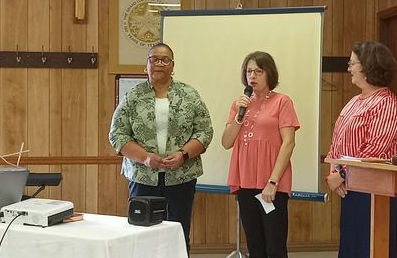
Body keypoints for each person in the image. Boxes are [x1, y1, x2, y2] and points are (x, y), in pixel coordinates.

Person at [109, 43, 213, 254]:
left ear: (172, 66)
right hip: (143, 177)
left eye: (165, 60)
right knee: (142, 233)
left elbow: (205, 132)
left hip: (181, 177)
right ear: (146, 65)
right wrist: (145, 157)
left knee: (178, 233)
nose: (159, 63)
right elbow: (117, 135)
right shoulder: (133, 96)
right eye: (154, 59)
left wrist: (183, 155)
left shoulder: (189, 95)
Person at [325, 41, 397, 258]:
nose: (349, 68)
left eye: (352, 63)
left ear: (368, 67)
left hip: (375, 191)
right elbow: (337, 141)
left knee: (369, 248)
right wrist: (334, 172)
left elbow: (375, 152)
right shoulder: (354, 101)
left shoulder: (386, 104)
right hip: (351, 188)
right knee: (351, 248)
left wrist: (341, 175)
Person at [222, 51, 300, 258]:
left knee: (274, 246)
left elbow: (289, 143)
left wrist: (272, 182)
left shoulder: (283, 102)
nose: (252, 76)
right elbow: (226, 142)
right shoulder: (239, 105)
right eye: (249, 71)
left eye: (258, 71)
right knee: (255, 246)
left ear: (269, 74)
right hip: (246, 183)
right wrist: (239, 116)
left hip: (272, 185)